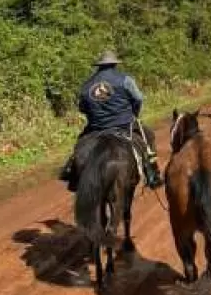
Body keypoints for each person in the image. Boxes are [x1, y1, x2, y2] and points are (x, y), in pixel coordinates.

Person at [59, 50, 164, 192]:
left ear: (99, 66)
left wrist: (96, 114)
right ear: (114, 64)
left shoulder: (87, 85)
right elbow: (138, 98)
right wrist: (135, 112)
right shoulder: (125, 80)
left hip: (96, 128)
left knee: (81, 143)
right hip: (123, 125)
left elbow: (82, 108)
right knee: (148, 135)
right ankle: (152, 174)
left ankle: (72, 172)